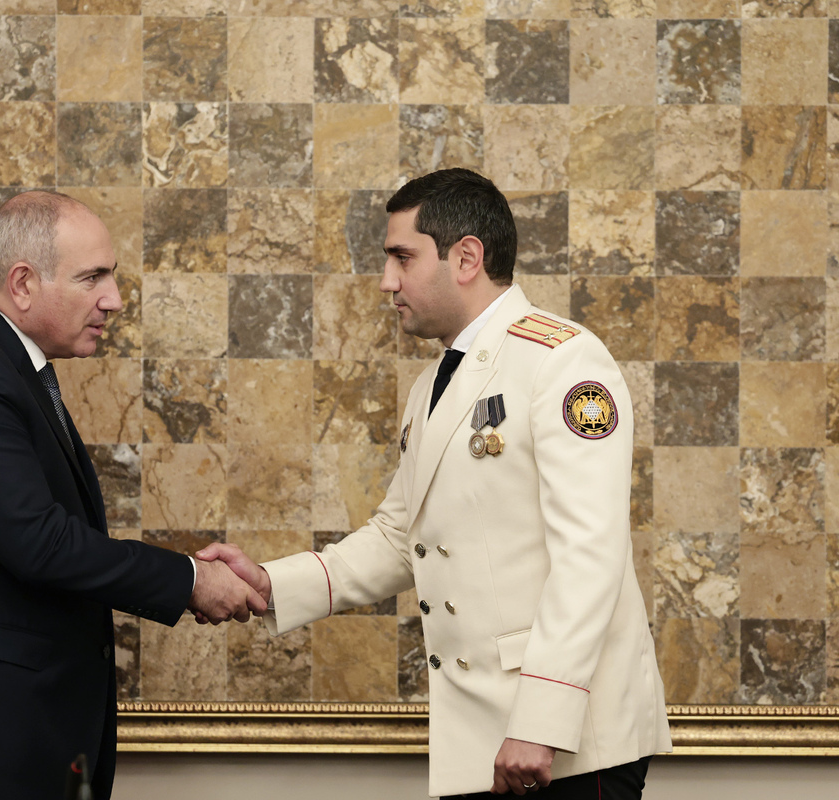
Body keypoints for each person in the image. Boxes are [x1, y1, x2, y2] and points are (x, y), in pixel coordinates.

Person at [199, 169, 672, 798]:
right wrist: (272, 583)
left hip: (566, 739)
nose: (386, 281)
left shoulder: (562, 360)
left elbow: (592, 554)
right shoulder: (434, 384)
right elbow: (400, 536)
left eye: (402, 258)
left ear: (466, 258)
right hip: (483, 734)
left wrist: (541, 721)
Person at [0, 191, 264, 800]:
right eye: (93, 277)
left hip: (0, 746)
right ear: (22, 284)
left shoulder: (0, 364)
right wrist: (190, 580)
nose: (114, 299)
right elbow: (40, 542)